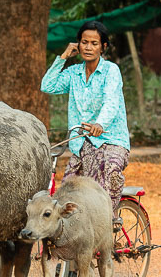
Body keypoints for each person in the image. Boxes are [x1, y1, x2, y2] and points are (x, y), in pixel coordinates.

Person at [41, 20, 131, 213]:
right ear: (78, 44)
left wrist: (100, 124)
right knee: (67, 197)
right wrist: (64, 56)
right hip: (82, 144)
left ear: (103, 47)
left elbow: (111, 102)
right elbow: (47, 85)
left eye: (94, 43)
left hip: (112, 140)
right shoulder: (74, 73)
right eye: (84, 42)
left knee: (110, 175)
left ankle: (107, 221)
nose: (88, 47)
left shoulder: (111, 71)